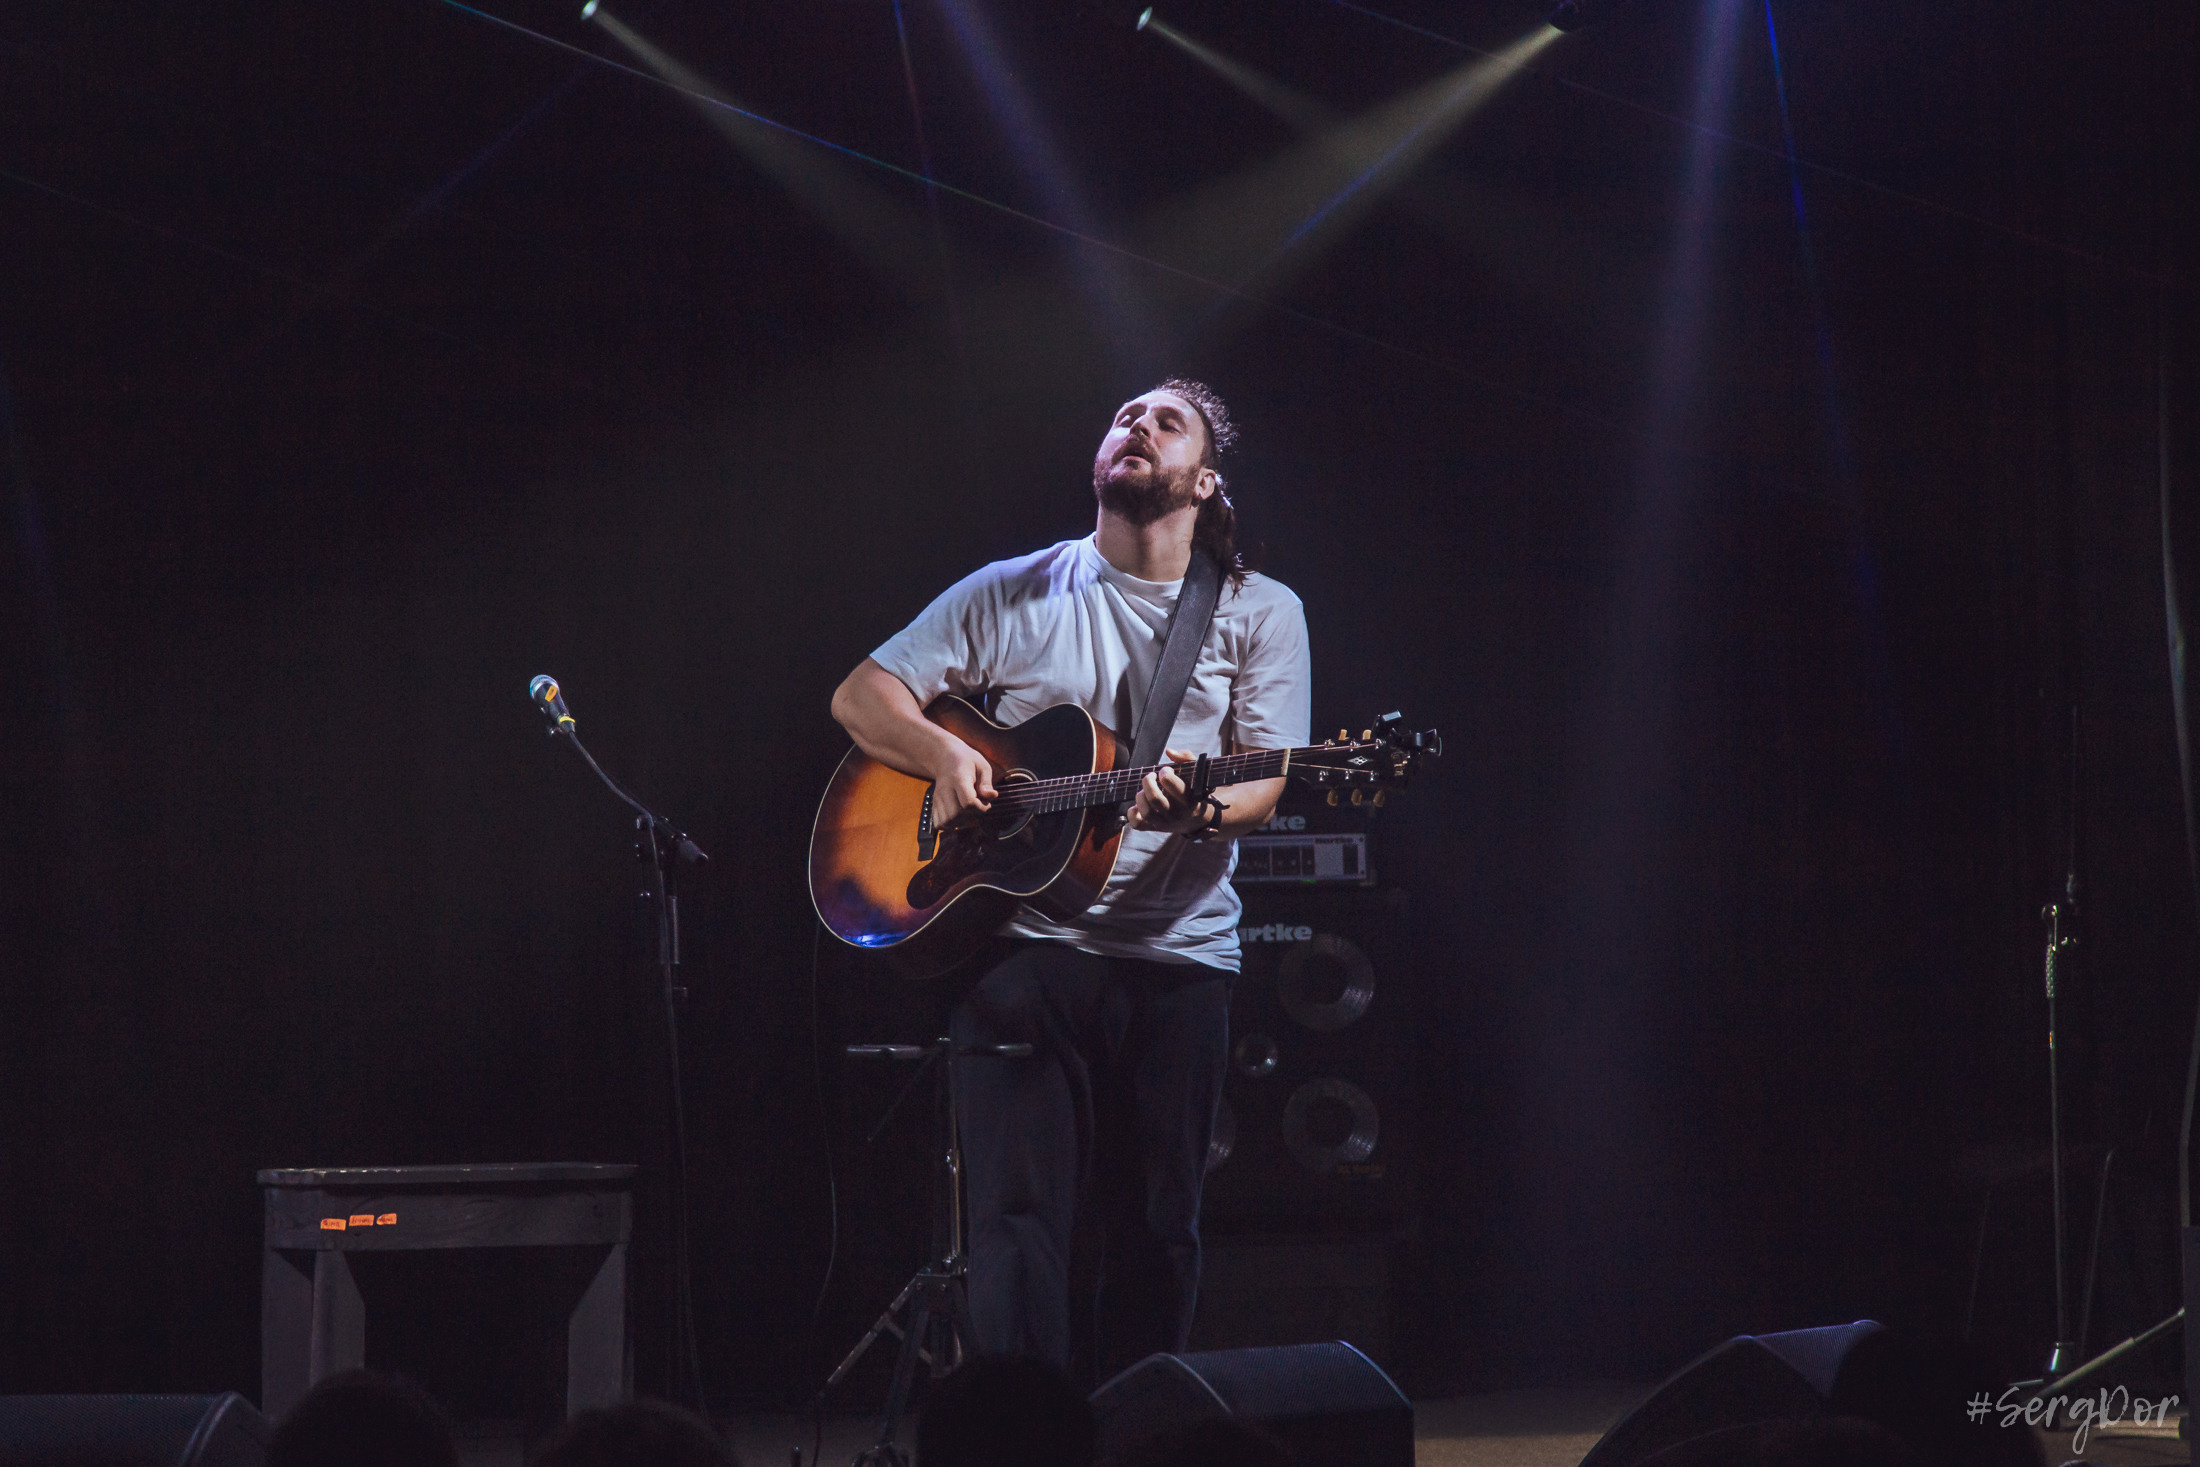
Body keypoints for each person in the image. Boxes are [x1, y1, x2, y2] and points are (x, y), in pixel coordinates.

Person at [831, 379, 1311, 1378]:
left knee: (1157, 1228)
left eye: (1165, 421)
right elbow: (861, 696)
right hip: (1023, 950)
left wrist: (1196, 807)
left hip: (1177, 959)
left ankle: (1141, 1436)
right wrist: (942, 757)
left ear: (1204, 481)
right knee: (1015, 1227)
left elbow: (1263, 782)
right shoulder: (1015, 587)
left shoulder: (1257, 612)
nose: (1137, 425)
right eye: (1125, 414)